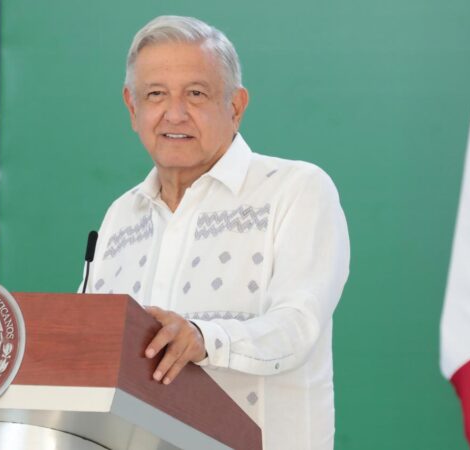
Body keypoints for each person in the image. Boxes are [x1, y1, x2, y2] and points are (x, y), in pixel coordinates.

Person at [86, 15, 350, 450]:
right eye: (155, 95)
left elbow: (297, 326)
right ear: (133, 109)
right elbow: (90, 345)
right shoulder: (122, 216)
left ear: (236, 106)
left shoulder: (296, 190)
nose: (174, 113)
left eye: (196, 93)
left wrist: (205, 339)